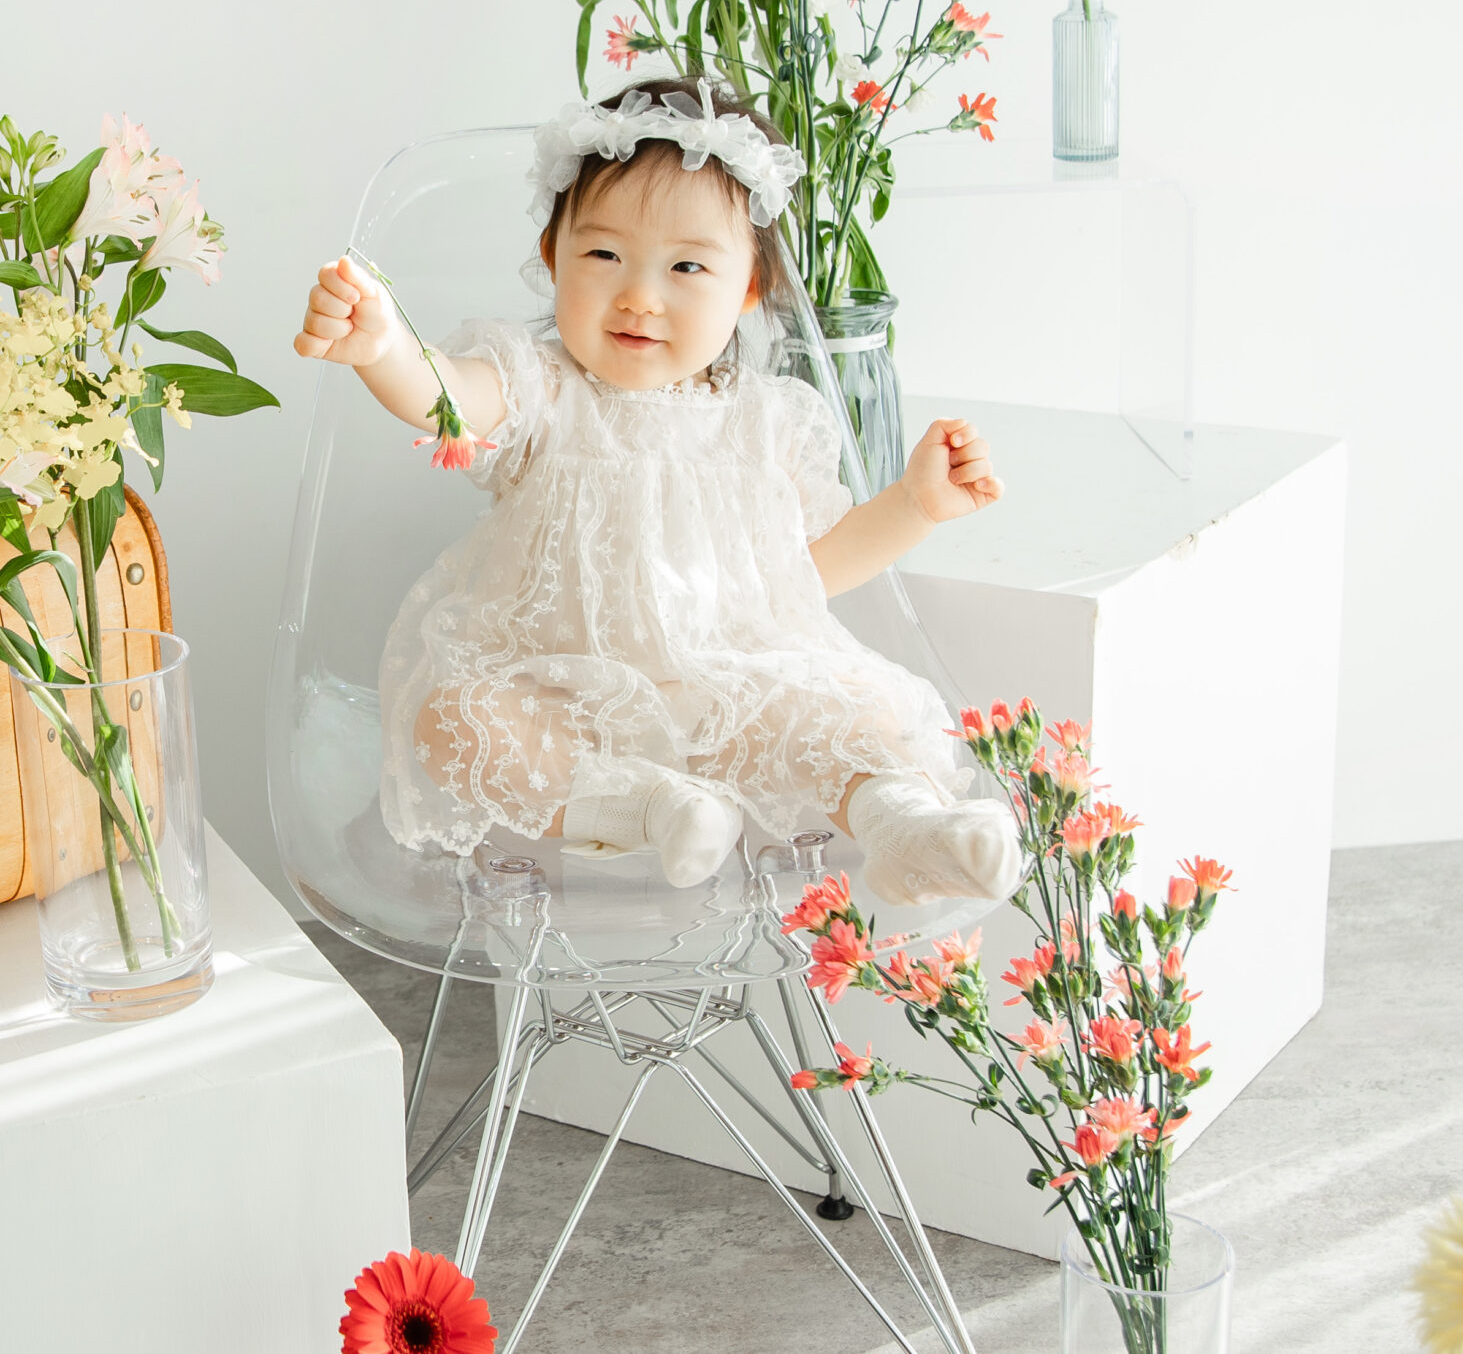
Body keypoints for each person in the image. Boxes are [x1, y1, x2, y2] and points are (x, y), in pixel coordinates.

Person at [293, 76, 1020, 901]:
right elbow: (448, 397)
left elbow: (806, 572)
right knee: (454, 720)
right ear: (552, 258)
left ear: (746, 289)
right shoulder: (543, 387)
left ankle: (904, 826)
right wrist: (387, 345)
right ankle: (647, 808)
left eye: (686, 266)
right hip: (565, 690)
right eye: (603, 255)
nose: (639, 294)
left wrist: (914, 506)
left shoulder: (768, 421)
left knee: (847, 713)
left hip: (735, 686)